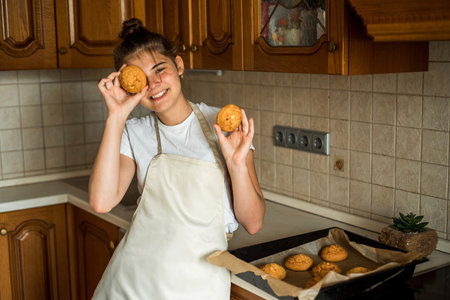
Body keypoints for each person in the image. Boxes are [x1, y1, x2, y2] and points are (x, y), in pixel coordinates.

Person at [88, 18, 265, 300]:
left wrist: (236, 165)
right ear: (132, 87)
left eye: (160, 69)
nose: (154, 84)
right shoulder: (133, 133)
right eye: (142, 79)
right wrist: (117, 116)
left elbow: (253, 223)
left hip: (199, 286)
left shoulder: (225, 127)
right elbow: (101, 201)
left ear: (179, 66)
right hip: (131, 285)